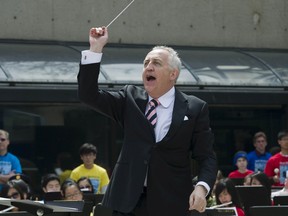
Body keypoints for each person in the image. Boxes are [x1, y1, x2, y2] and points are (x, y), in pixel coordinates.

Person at [77, 27, 217, 216]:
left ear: (173, 74)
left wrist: (202, 187)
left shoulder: (195, 108)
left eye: (156, 63)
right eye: (146, 63)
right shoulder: (130, 98)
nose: (148, 67)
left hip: (171, 202)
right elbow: (88, 95)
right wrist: (95, 49)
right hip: (126, 202)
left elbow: (206, 156)